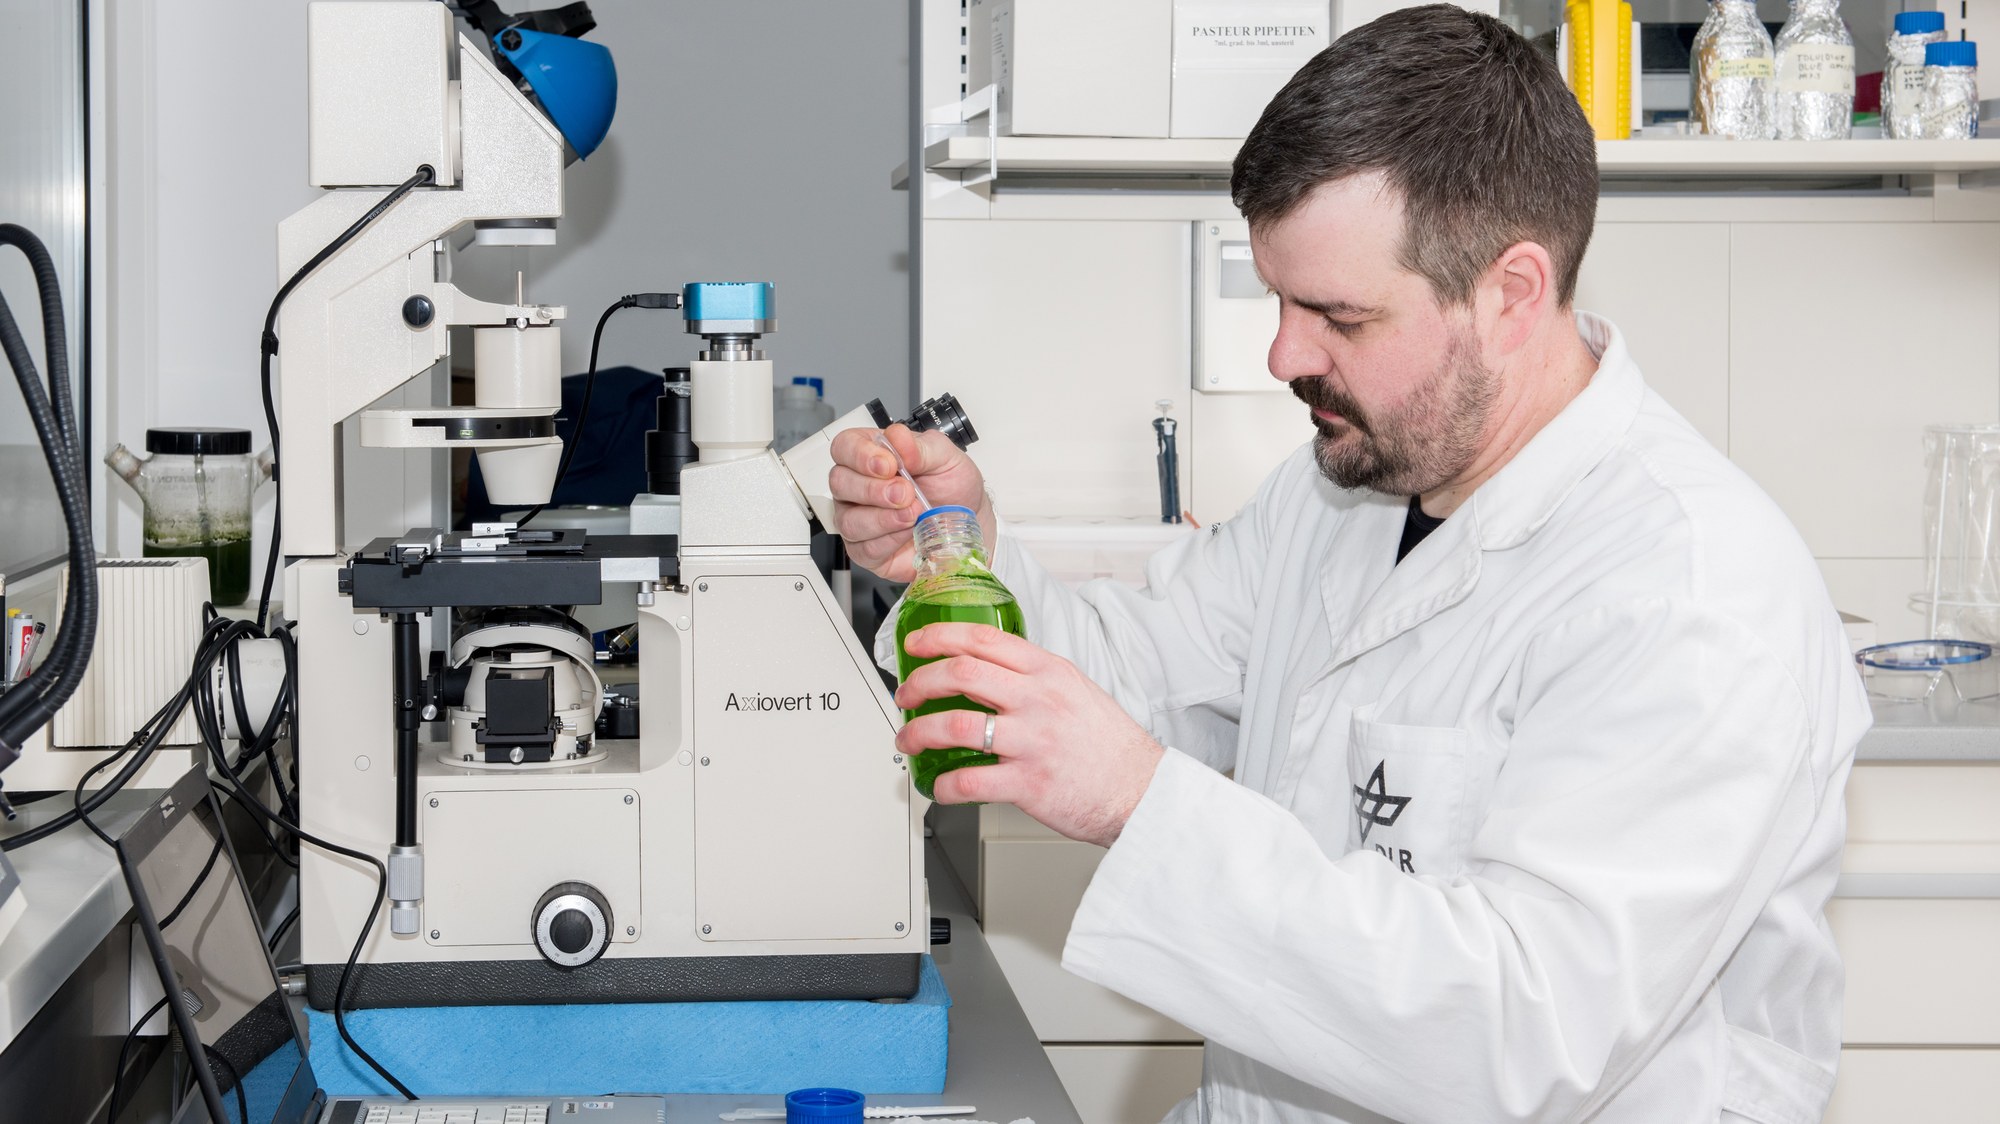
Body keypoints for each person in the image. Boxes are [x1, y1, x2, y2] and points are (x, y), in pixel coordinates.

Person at [829, 6, 1869, 1121]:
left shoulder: (1689, 588)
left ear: (1509, 294)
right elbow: (1143, 669)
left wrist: (1138, 799)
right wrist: (962, 560)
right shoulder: (1342, 485)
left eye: (1335, 314)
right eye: (1276, 297)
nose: (1282, 352)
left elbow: (1516, 1035)